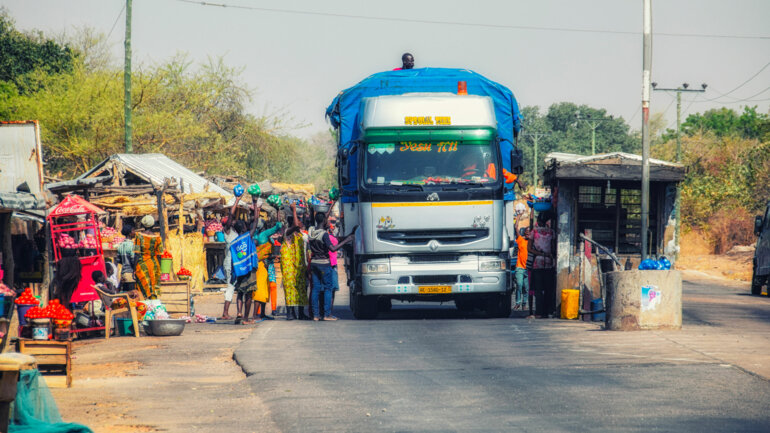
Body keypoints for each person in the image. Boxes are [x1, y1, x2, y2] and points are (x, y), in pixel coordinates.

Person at [307, 204, 354, 321]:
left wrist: (314, 209)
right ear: (324, 221)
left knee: (315, 289)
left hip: (314, 262)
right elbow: (333, 249)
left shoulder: (311, 231)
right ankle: (327, 314)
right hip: (324, 263)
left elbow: (318, 220)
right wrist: (347, 240)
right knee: (328, 288)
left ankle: (316, 315)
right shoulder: (324, 235)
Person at [228, 194, 261, 324]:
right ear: (244, 228)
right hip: (249, 268)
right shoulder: (248, 236)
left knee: (240, 293)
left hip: (239, 270)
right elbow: (256, 222)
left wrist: (233, 272)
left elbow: (234, 258)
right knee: (248, 294)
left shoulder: (234, 242)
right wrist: (255, 201)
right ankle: (246, 318)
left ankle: (239, 313)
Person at [280, 204, 310, 320]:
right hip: (289, 269)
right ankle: (290, 313)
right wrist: (293, 211)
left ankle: (301, 313)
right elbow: (296, 225)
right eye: (299, 220)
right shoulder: (287, 232)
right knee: (290, 289)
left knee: (301, 289)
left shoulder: (301, 235)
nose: (301, 223)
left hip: (299, 267)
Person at [252, 215, 282, 321]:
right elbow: (278, 226)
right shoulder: (263, 235)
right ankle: (255, 314)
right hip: (262, 266)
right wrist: (278, 210)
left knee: (266, 289)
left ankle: (262, 313)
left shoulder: (256, 236)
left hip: (264, 265)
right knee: (261, 290)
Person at [528, 212, 556, 318]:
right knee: (548, 289)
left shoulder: (533, 232)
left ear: (538, 221)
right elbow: (553, 248)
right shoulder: (551, 232)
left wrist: (540, 253)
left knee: (538, 290)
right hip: (549, 262)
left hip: (537, 263)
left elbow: (529, 249)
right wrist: (548, 254)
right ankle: (547, 312)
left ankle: (539, 312)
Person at [134, 215, 163, 299]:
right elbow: (159, 255)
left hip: (141, 265)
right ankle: (153, 307)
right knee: (153, 288)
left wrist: (134, 269)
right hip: (154, 266)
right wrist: (159, 268)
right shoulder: (158, 238)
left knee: (142, 288)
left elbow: (137, 253)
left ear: (143, 225)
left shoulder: (138, 236)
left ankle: (143, 308)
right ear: (153, 225)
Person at [512, 218, 530, 311]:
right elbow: (516, 227)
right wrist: (518, 217)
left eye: (529, 232)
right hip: (520, 267)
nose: (527, 234)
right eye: (526, 232)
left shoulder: (532, 242)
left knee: (526, 288)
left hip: (528, 268)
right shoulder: (521, 240)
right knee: (519, 284)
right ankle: (518, 302)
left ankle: (524, 303)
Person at [117, 224, 137, 292]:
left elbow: (119, 260)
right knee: (133, 296)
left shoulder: (120, 245)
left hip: (123, 274)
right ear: (129, 233)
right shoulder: (133, 245)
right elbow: (133, 260)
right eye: (133, 231)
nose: (135, 232)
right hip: (131, 275)